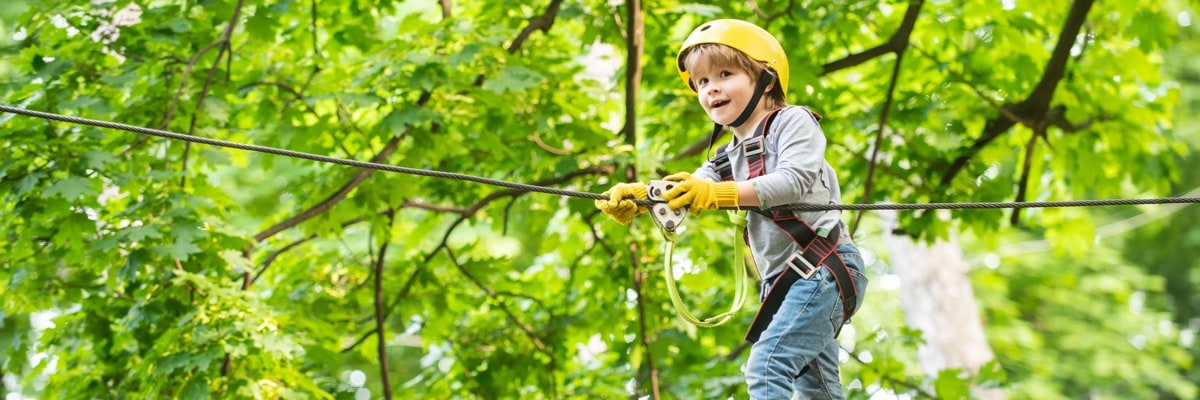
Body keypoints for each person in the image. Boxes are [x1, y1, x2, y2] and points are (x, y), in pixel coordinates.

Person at [595, 19, 869, 399]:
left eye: (725, 74)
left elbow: (794, 180)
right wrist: (641, 198)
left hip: (824, 267)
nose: (712, 88)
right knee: (818, 392)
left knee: (767, 365)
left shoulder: (792, 122)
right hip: (785, 282)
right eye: (702, 82)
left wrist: (717, 194)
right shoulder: (725, 158)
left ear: (766, 80)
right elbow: (686, 192)